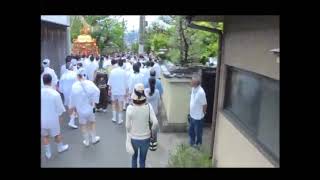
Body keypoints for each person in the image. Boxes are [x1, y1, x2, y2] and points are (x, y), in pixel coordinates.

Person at [126, 83, 158, 168]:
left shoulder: (130, 108)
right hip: (146, 138)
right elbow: (155, 122)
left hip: (134, 138)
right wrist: (152, 131)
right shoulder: (148, 107)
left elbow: (127, 127)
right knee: (142, 160)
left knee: (134, 158)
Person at [70, 68, 101, 146]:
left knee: (83, 125)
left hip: (80, 110)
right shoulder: (90, 83)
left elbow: (72, 99)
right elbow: (97, 91)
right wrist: (94, 101)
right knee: (92, 122)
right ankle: (93, 139)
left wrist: (74, 108)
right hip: (91, 108)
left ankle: (86, 141)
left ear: (77, 76)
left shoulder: (74, 86)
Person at [41, 74, 69, 159]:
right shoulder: (55, 94)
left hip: (42, 119)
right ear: (51, 81)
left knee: (45, 136)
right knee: (57, 134)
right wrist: (60, 119)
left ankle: (48, 153)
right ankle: (60, 148)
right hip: (53, 118)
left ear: (43, 81)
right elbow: (60, 109)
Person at [189, 73, 207, 147]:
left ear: (196, 83)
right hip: (192, 115)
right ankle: (192, 144)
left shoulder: (201, 93)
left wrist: (203, 113)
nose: (190, 82)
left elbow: (205, 105)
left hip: (198, 118)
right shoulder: (193, 89)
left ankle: (198, 145)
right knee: (191, 132)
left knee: (198, 133)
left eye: (192, 81)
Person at [107, 59, 128, 124]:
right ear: (123, 64)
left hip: (114, 90)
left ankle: (114, 118)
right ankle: (120, 120)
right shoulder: (124, 72)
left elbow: (110, 82)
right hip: (121, 91)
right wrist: (126, 92)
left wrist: (109, 90)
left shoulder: (113, 71)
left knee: (114, 104)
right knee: (120, 105)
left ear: (118, 64)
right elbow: (126, 83)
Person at [59, 62, 78, 129]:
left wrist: (62, 92)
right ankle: (71, 121)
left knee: (69, 105)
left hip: (65, 93)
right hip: (73, 92)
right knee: (74, 105)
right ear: (70, 67)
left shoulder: (63, 75)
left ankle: (72, 116)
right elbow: (77, 83)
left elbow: (60, 87)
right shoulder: (74, 74)